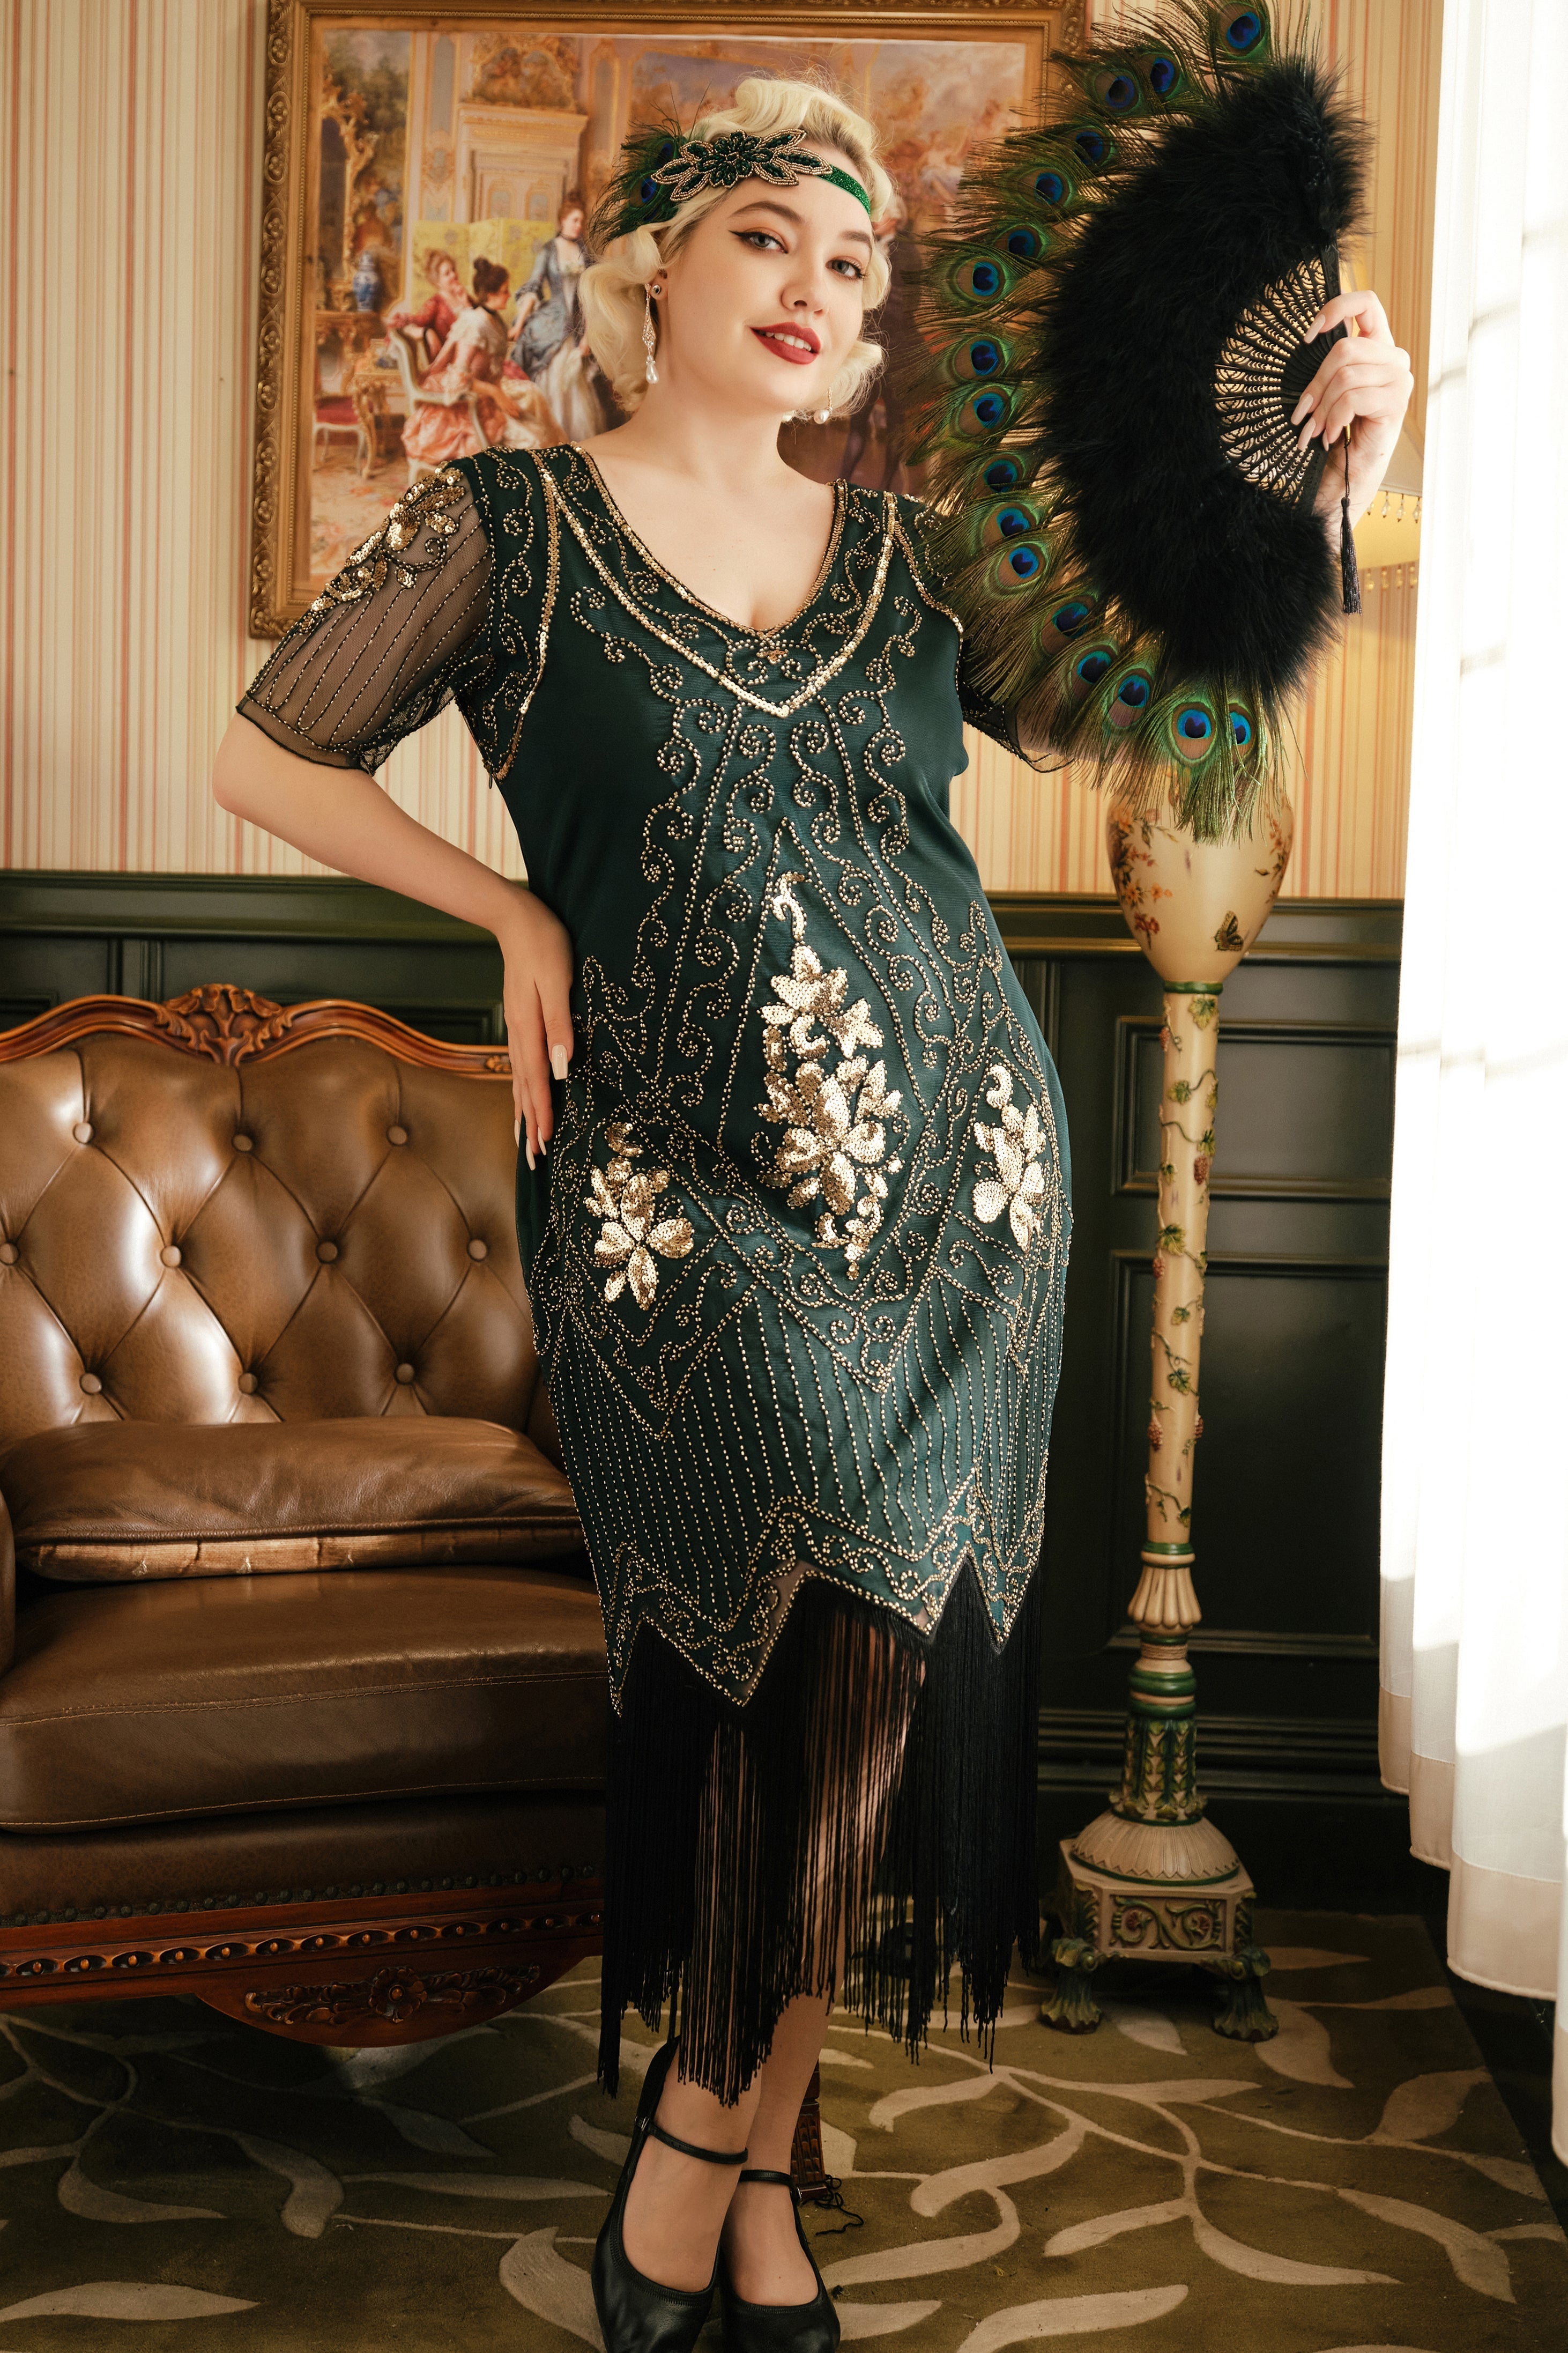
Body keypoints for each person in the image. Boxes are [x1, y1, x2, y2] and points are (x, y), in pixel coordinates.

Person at [215, 74, 1411, 2353]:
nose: (812, 287)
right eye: (767, 234)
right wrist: (508, 912)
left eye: (852, 262)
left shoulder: (913, 554)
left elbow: (1156, 681)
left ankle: (738, 2167)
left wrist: (1317, 467)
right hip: (671, 1199)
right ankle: (715, 2152)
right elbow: (262, 750)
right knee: (798, 1651)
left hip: (966, 1178)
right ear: (653, 261)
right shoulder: (502, 523)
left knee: (862, 1680)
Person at [399, 254, 561, 473]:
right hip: (462, 406)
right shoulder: (474, 324)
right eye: (504, 291)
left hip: (484, 396)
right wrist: (495, 393)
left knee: (539, 420)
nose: (509, 295)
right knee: (533, 444)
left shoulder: (490, 317)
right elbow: (458, 379)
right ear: (491, 295)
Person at [508, 191, 605, 439]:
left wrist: (589, 335)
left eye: (581, 221)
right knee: (553, 376)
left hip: (578, 325)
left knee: (575, 382)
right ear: (562, 220)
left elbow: (592, 297)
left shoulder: (585, 252)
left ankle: (571, 439)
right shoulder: (549, 250)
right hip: (553, 324)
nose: (578, 226)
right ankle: (550, 436)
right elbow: (533, 288)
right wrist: (519, 325)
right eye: (574, 220)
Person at [384, 247, 470, 368]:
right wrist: (426, 332)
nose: (454, 275)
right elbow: (399, 325)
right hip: (448, 365)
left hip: (471, 359)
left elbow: (482, 325)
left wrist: (466, 303)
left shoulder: (466, 297)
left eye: (453, 270)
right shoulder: (435, 303)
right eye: (447, 274)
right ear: (438, 281)